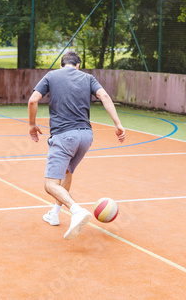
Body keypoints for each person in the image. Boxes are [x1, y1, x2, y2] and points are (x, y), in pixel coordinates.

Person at [28, 51, 125, 240]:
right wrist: (118, 124)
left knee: (50, 184)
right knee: (67, 173)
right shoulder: (88, 78)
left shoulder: (51, 76)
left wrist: (32, 124)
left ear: (62, 65)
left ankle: (77, 211)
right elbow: (104, 95)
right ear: (78, 65)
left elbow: (33, 100)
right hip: (86, 137)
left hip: (65, 136)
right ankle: (54, 214)